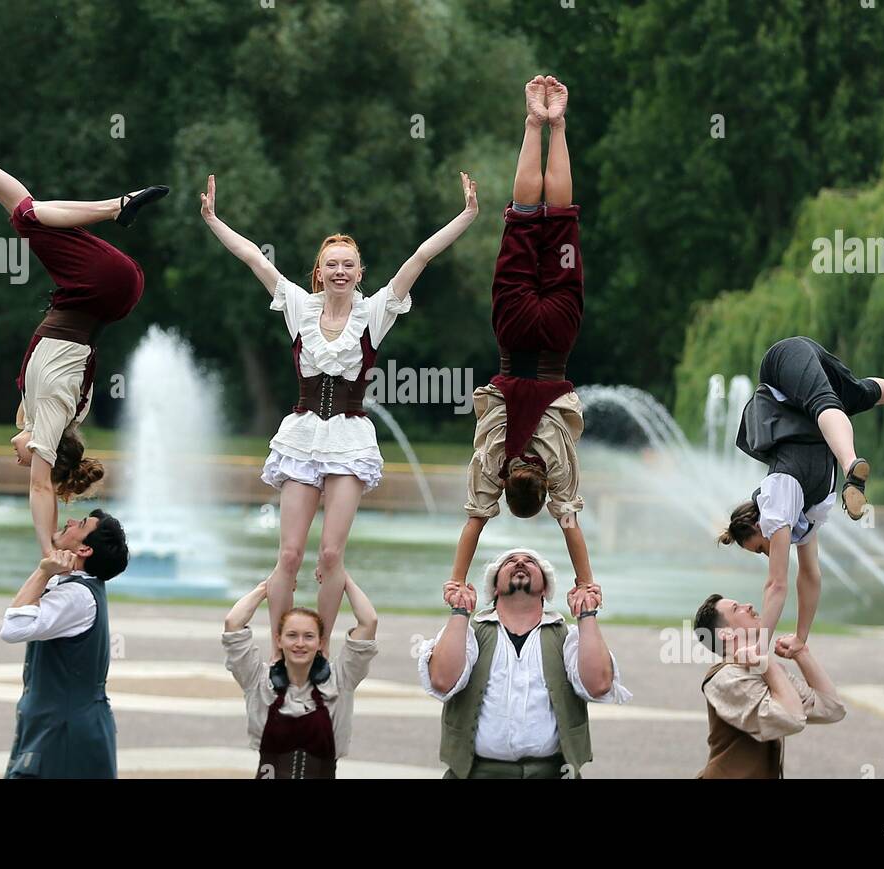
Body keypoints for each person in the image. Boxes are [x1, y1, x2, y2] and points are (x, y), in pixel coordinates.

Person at [200, 170, 477, 654]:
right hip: (302, 436)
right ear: (320, 271)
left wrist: (469, 214)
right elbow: (250, 256)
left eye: (349, 264)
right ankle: (284, 647)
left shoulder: (375, 313)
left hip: (349, 438)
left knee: (330, 554)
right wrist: (212, 218)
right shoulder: (297, 306)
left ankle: (322, 648)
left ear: (360, 273)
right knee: (288, 554)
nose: (341, 271)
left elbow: (421, 257)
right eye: (332, 264)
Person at [0, 125, 167, 556]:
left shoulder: (50, 415)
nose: (20, 461)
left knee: (27, 213)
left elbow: (28, 417)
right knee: (30, 216)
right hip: (100, 289)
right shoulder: (53, 419)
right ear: (50, 451)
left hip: (105, 292)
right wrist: (47, 552)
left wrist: (28, 433)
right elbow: (42, 488)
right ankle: (116, 206)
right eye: (28, 460)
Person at [720, 335, 884, 655]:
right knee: (853, 394)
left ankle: (851, 464)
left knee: (823, 401)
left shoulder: (777, 500)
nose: (766, 553)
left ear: (758, 526)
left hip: (781, 361)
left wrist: (760, 647)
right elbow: (810, 576)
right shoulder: (803, 516)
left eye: (760, 548)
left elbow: (777, 585)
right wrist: (801, 638)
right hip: (809, 418)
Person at [453, 76, 592, 594]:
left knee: (560, 224)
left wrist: (585, 583)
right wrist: (457, 580)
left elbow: (570, 523)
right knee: (524, 223)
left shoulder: (558, 467)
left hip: (556, 339)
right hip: (514, 336)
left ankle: (556, 124)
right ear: (505, 488)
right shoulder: (492, 455)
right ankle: (535, 121)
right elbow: (473, 521)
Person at [418, 548, 630, 779]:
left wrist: (586, 614)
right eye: (510, 561)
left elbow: (598, 684)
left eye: (530, 561)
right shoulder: (468, 634)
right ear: (495, 587)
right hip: (477, 774)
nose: (520, 562)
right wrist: (459, 611)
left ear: (546, 588)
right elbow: (442, 681)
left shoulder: (568, 638)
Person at [0, 509, 130, 779]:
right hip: (57, 727)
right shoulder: (73, 583)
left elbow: (13, 628)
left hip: (64, 733)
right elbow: (41, 497)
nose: (69, 521)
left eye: (80, 524)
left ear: (83, 549)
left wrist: (42, 571)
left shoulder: (76, 595)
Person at [221, 576, 378, 779]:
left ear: (321, 642)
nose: (300, 643)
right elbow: (233, 624)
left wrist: (340, 576)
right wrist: (267, 586)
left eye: (309, 636)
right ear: (278, 640)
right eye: (292, 635)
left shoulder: (340, 681)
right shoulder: (259, 681)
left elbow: (369, 621)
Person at [691, 593, 846, 778]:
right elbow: (792, 718)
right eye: (736, 608)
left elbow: (832, 709)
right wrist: (768, 665)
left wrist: (802, 654)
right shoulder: (725, 678)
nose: (747, 605)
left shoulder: (763, 670)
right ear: (725, 633)